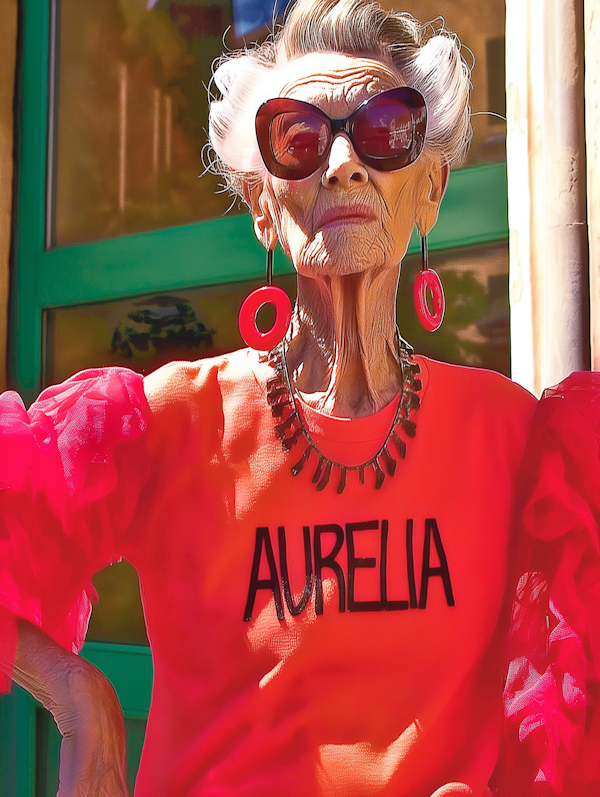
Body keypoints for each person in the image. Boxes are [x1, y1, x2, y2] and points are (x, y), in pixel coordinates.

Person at [2, 0, 589, 794]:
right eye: (300, 139)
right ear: (261, 207)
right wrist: (82, 703)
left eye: (385, 130)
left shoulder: (521, 441)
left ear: (433, 189)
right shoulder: (169, 421)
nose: (345, 162)